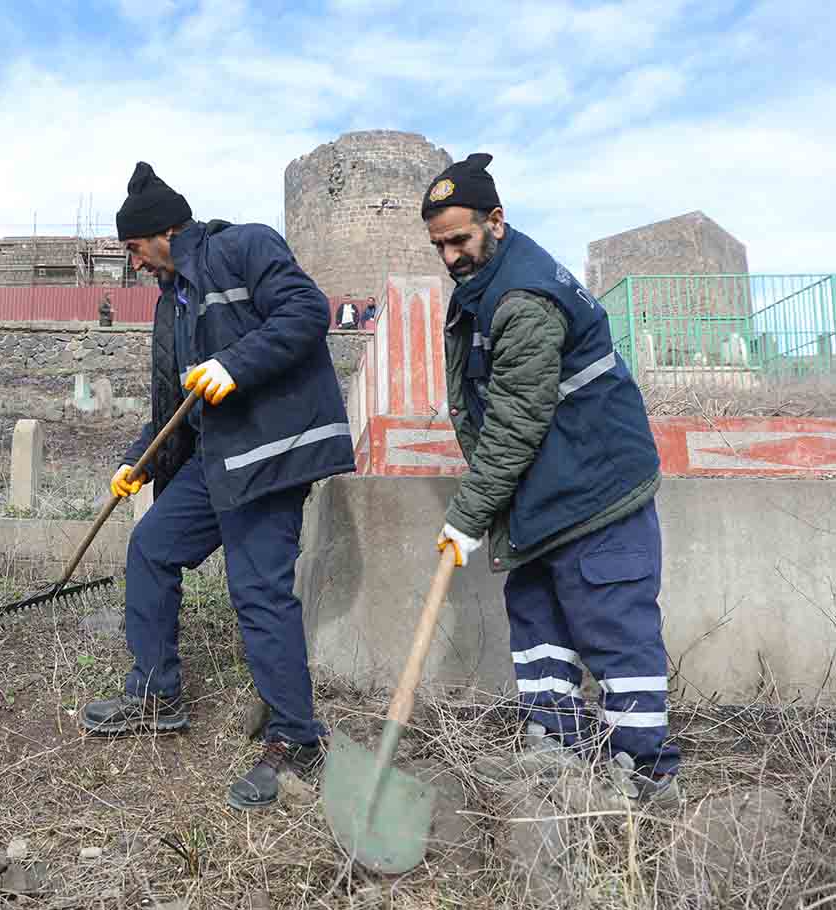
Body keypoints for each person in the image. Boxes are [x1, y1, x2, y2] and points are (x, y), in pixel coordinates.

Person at [79, 162, 355, 811]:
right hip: (216, 459)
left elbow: (305, 312)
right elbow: (172, 401)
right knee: (151, 546)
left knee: (257, 589)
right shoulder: (170, 306)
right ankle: (156, 693)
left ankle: (296, 737)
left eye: (135, 248)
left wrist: (236, 363)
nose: (135, 262)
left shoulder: (244, 247)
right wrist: (137, 461)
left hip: (270, 453)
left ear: (165, 231)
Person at [423, 153, 680, 804]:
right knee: (536, 620)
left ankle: (646, 779)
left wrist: (468, 513)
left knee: (614, 628)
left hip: (596, 489)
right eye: (439, 245)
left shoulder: (524, 297)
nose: (450, 256)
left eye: (460, 239)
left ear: (496, 221)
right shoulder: (486, 284)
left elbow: (516, 420)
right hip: (544, 490)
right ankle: (557, 752)